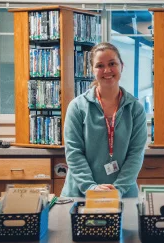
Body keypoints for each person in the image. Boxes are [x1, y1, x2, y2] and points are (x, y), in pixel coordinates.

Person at [61, 42, 147, 198]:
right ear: (92, 70)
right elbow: (74, 153)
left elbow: (136, 154)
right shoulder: (77, 107)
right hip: (80, 194)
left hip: (124, 194)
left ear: (121, 65)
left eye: (112, 63)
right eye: (100, 65)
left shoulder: (135, 109)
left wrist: (118, 190)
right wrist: (90, 188)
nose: (107, 70)